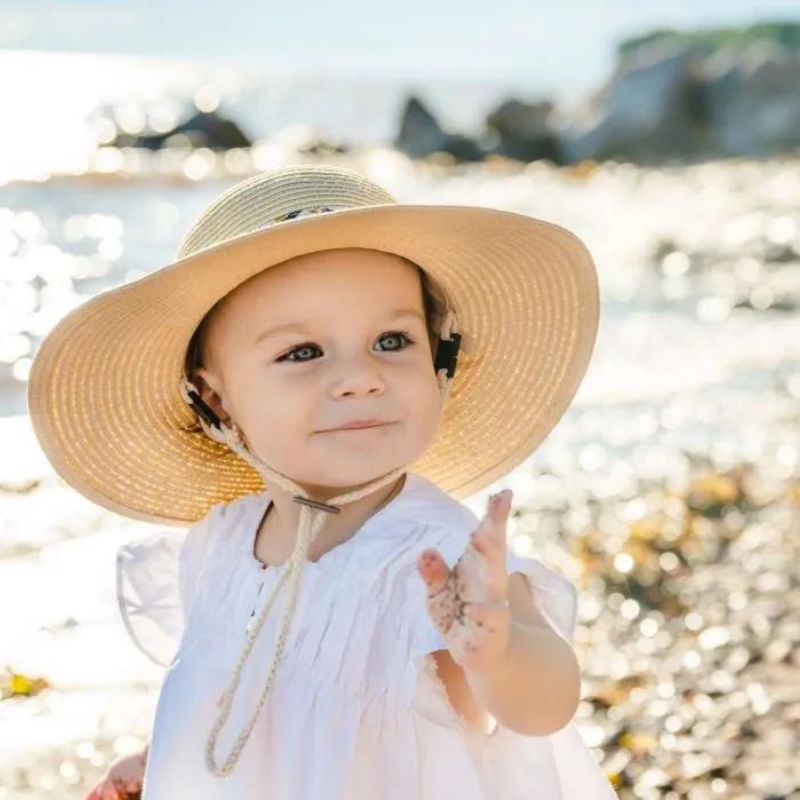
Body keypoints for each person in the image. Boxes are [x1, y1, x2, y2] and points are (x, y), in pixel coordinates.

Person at [28, 164, 618, 799]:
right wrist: (160, 757)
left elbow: (543, 709)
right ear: (215, 400)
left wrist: (497, 650)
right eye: (303, 353)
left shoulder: (440, 560)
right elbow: (234, 692)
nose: (361, 376)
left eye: (392, 339)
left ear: (440, 362)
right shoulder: (219, 544)